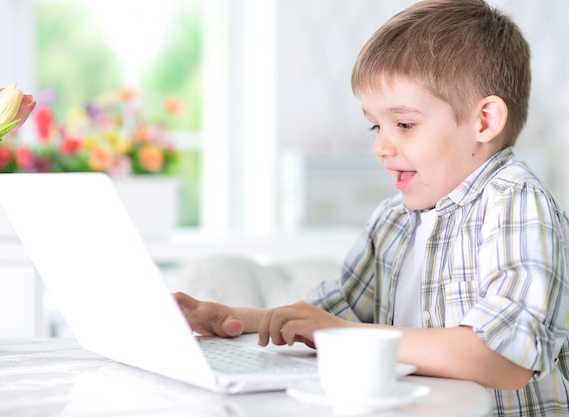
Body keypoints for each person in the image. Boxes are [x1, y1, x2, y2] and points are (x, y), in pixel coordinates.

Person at [174, 0, 569, 415]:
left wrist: (339, 333)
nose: (380, 147)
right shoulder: (393, 220)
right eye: (375, 125)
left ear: (485, 122)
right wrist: (231, 316)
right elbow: (329, 316)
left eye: (404, 124)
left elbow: (507, 358)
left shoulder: (515, 201)